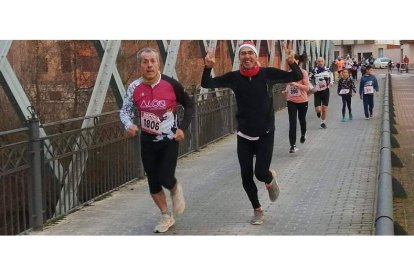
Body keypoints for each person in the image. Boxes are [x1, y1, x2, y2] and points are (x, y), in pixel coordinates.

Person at [201, 41, 303, 225]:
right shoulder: (234, 77)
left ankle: (269, 178)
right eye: (243, 53)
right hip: (244, 134)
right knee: (245, 175)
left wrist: (292, 62)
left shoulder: (267, 74)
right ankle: (257, 210)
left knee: (260, 173)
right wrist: (207, 68)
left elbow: (295, 75)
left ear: (256, 57)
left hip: (265, 132)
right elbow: (207, 83)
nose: (247, 56)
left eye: (250, 53)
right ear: (239, 57)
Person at [120, 47, 195, 233]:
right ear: (140, 65)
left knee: (165, 177)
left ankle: (175, 187)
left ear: (158, 63)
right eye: (145, 61)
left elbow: (189, 104)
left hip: (169, 138)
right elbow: (125, 110)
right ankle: (165, 216)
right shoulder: (134, 87)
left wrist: (182, 128)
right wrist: (128, 124)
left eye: (152, 61)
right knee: (153, 182)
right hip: (147, 140)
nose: (149, 65)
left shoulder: (171, 85)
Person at [281, 53, 309, 153]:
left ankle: (303, 133)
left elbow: (307, 88)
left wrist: (296, 84)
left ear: (297, 61)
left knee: (302, 119)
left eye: (293, 59)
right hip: (291, 100)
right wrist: (286, 91)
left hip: (302, 100)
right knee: (292, 122)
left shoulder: (303, 73)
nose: (292, 61)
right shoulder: (289, 73)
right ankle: (292, 145)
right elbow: (289, 86)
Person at [309, 57, 334, 129]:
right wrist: (312, 88)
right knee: (318, 109)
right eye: (319, 61)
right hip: (317, 92)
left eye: (322, 61)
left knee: (324, 109)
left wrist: (331, 82)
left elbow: (331, 77)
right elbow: (308, 80)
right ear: (317, 62)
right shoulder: (314, 71)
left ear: (324, 62)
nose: (320, 62)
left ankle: (323, 122)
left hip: (326, 91)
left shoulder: (328, 70)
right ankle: (318, 112)